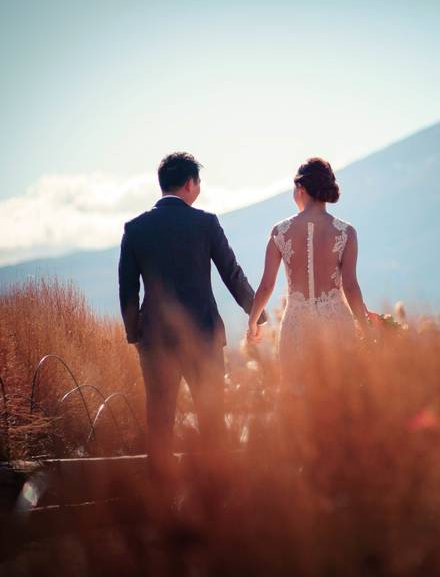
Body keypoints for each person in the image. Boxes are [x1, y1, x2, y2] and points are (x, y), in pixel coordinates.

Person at [118, 152, 266, 486]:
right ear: (190, 183)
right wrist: (257, 315)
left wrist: (135, 335)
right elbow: (232, 273)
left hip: (155, 341)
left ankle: (161, 501)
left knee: (159, 423)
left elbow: (127, 289)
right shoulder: (206, 223)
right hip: (203, 336)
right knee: (212, 419)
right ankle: (216, 498)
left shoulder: (136, 228)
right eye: (198, 182)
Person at [246, 157, 369, 384]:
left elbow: (266, 285)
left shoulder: (280, 231)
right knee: (339, 394)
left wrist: (253, 320)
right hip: (337, 323)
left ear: (300, 188)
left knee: (299, 399)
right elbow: (351, 286)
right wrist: (365, 327)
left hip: (297, 325)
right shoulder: (347, 232)